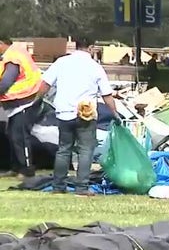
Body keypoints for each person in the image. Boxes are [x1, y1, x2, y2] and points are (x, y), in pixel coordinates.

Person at [37, 39, 120, 196]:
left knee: (63, 150)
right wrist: (115, 113)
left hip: (64, 113)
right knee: (85, 151)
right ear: (90, 47)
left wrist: (35, 101)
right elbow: (106, 94)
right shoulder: (95, 67)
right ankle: (81, 188)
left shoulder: (61, 62)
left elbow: (44, 85)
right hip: (86, 114)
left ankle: (58, 186)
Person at [0, 37, 43, 178]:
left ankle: (27, 170)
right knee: (12, 134)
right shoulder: (15, 54)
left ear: (2, 43)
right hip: (19, 101)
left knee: (21, 137)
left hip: (24, 101)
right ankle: (16, 167)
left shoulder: (13, 58)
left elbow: (6, 81)